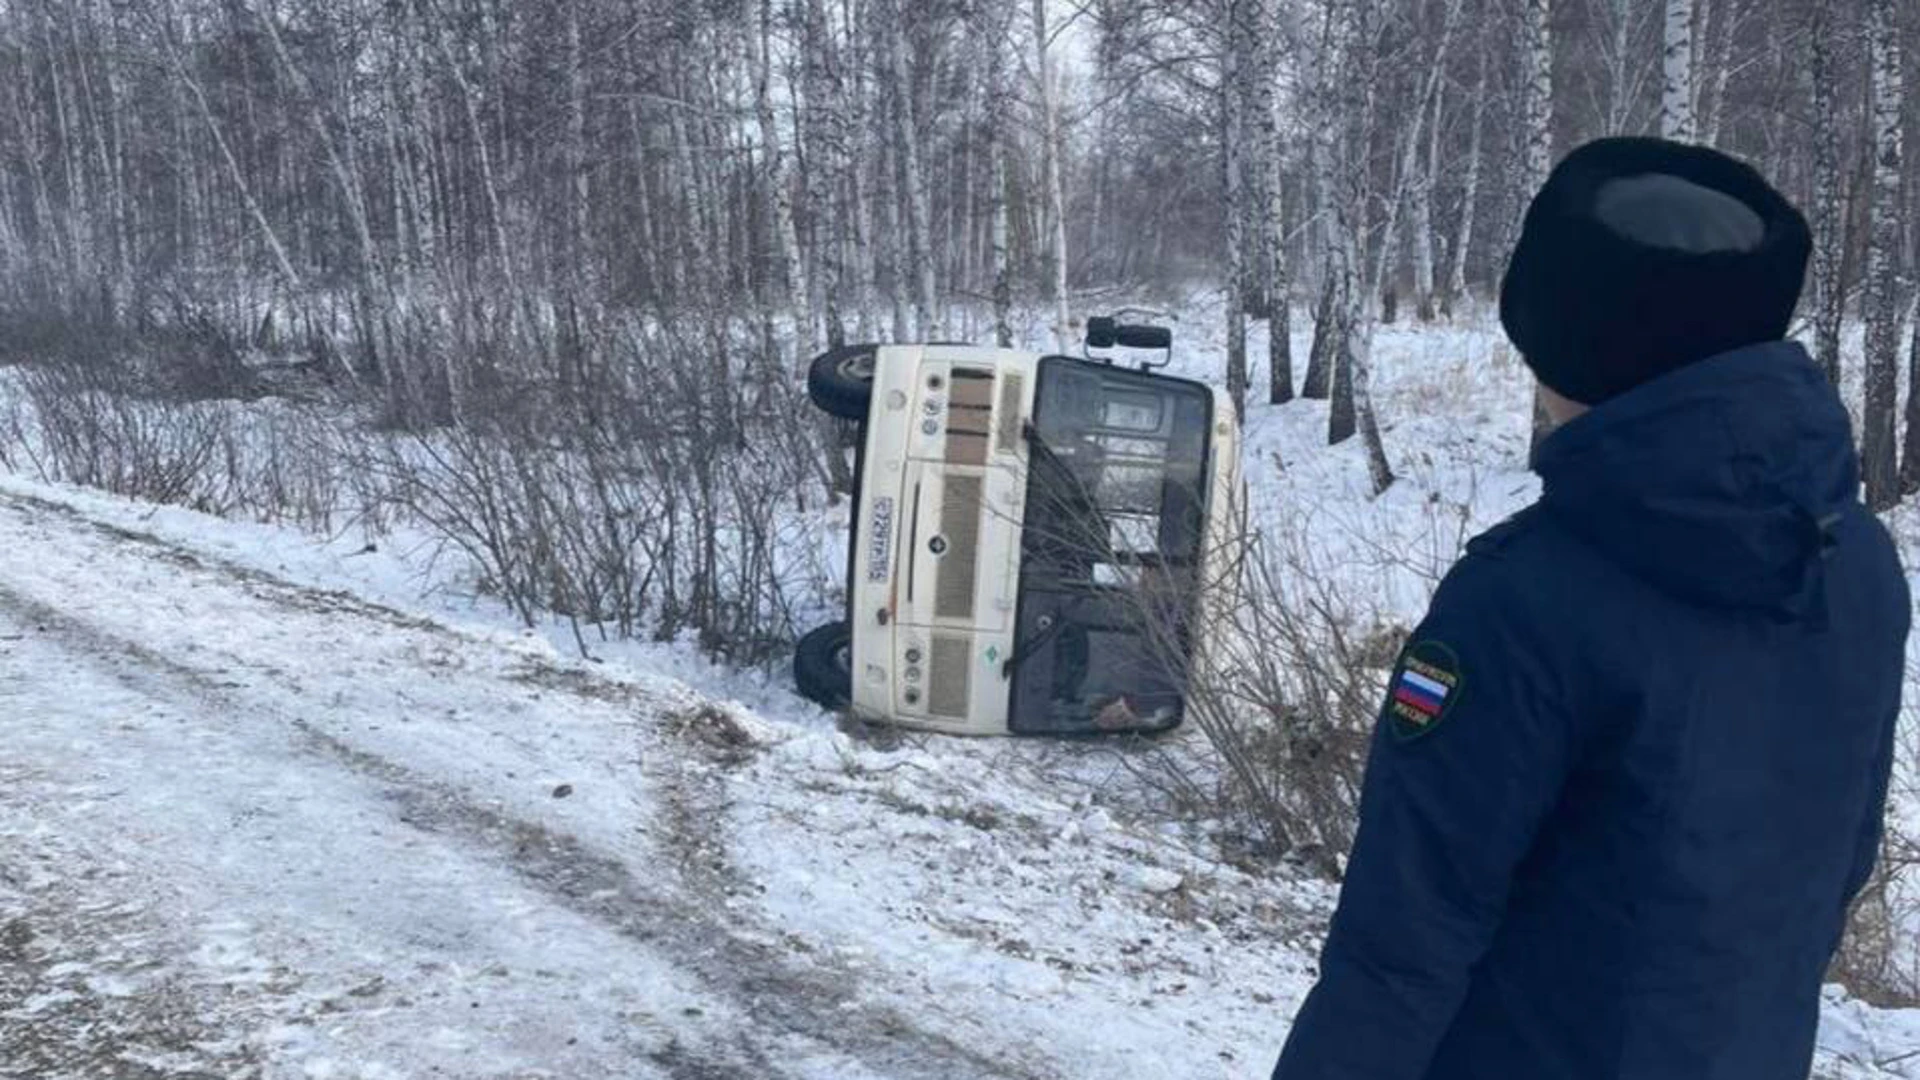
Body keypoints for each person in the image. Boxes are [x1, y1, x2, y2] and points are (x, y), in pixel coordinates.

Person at [1271, 137, 1910, 1079]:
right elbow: (1833, 867)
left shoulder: (1522, 601)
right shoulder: (1855, 562)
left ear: (1567, 340)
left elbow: (1402, 948)